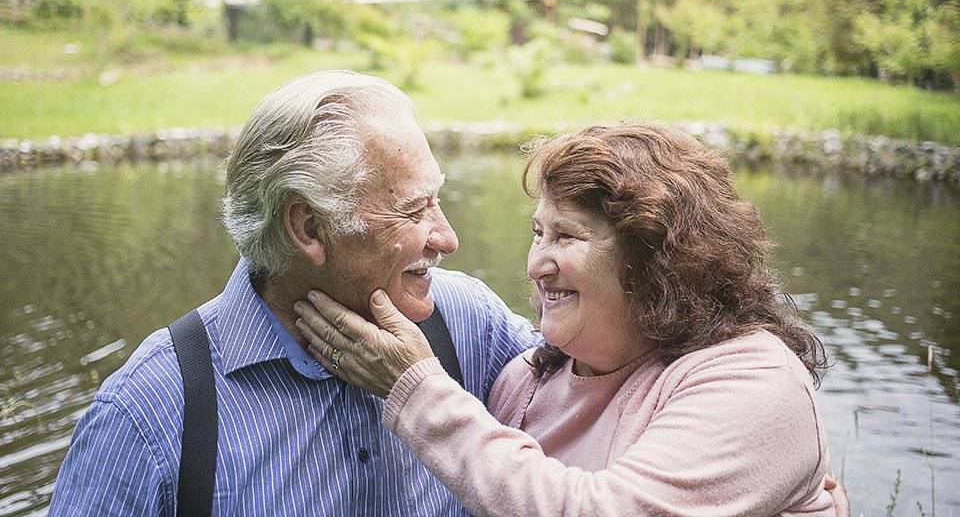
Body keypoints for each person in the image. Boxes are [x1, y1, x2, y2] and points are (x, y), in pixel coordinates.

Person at [48, 70, 537, 515]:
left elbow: (605, 408)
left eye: (438, 200)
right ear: (308, 228)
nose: (448, 238)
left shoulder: (471, 324)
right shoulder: (147, 415)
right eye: (413, 211)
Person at [298, 123, 840, 516]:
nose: (537, 264)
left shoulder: (753, 382)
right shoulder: (529, 381)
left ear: (656, 258)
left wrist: (415, 390)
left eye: (567, 237)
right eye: (538, 233)